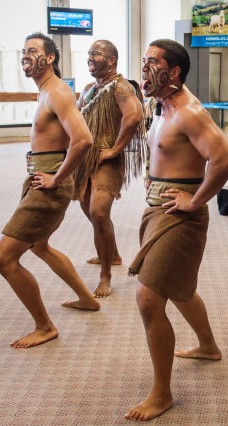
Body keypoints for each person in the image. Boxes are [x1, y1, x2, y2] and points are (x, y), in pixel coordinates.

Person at [125, 39, 228, 421]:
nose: (144, 69)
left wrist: (196, 200)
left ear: (174, 72)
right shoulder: (163, 103)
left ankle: (162, 393)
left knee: (148, 298)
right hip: (158, 207)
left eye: (152, 63)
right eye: (143, 61)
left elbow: (224, 158)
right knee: (181, 289)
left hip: (180, 214)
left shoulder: (189, 111)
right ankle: (208, 346)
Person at [0, 32, 100, 349]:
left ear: (49, 57)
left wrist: (55, 177)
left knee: (3, 259)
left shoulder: (57, 92)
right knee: (39, 246)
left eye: (33, 50)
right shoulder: (44, 92)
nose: (26, 55)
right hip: (40, 177)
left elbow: (83, 140)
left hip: (49, 185)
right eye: (23, 51)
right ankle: (87, 299)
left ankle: (44, 327)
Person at [75, 39, 146, 298]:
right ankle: (113, 254)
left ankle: (105, 276)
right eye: (89, 53)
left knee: (99, 212)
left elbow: (135, 115)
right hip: (85, 160)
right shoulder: (87, 89)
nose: (90, 58)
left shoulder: (121, 86)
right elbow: (75, 120)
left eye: (95, 53)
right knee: (90, 210)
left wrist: (116, 150)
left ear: (111, 60)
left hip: (108, 160)